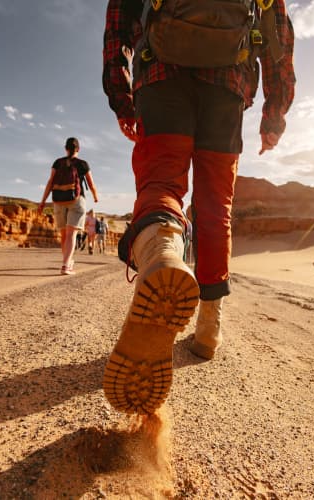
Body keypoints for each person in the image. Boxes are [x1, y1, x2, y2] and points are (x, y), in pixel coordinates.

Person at [102, 0, 295, 414]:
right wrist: (274, 113)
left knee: (161, 183)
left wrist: (122, 96)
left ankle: (162, 251)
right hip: (228, 83)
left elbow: (119, 19)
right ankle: (208, 327)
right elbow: (279, 37)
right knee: (214, 205)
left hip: (159, 74)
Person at [38, 137, 99, 275]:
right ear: (78, 149)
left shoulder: (57, 163)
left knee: (64, 235)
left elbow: (50, 182)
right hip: (76, 201)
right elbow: (91, 184)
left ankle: (67, 261)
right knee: (72, 234)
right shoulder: (82, 164)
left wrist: (43, 201)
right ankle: (66, 265)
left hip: (58, 201)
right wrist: (95, 196)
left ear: (66, 148)